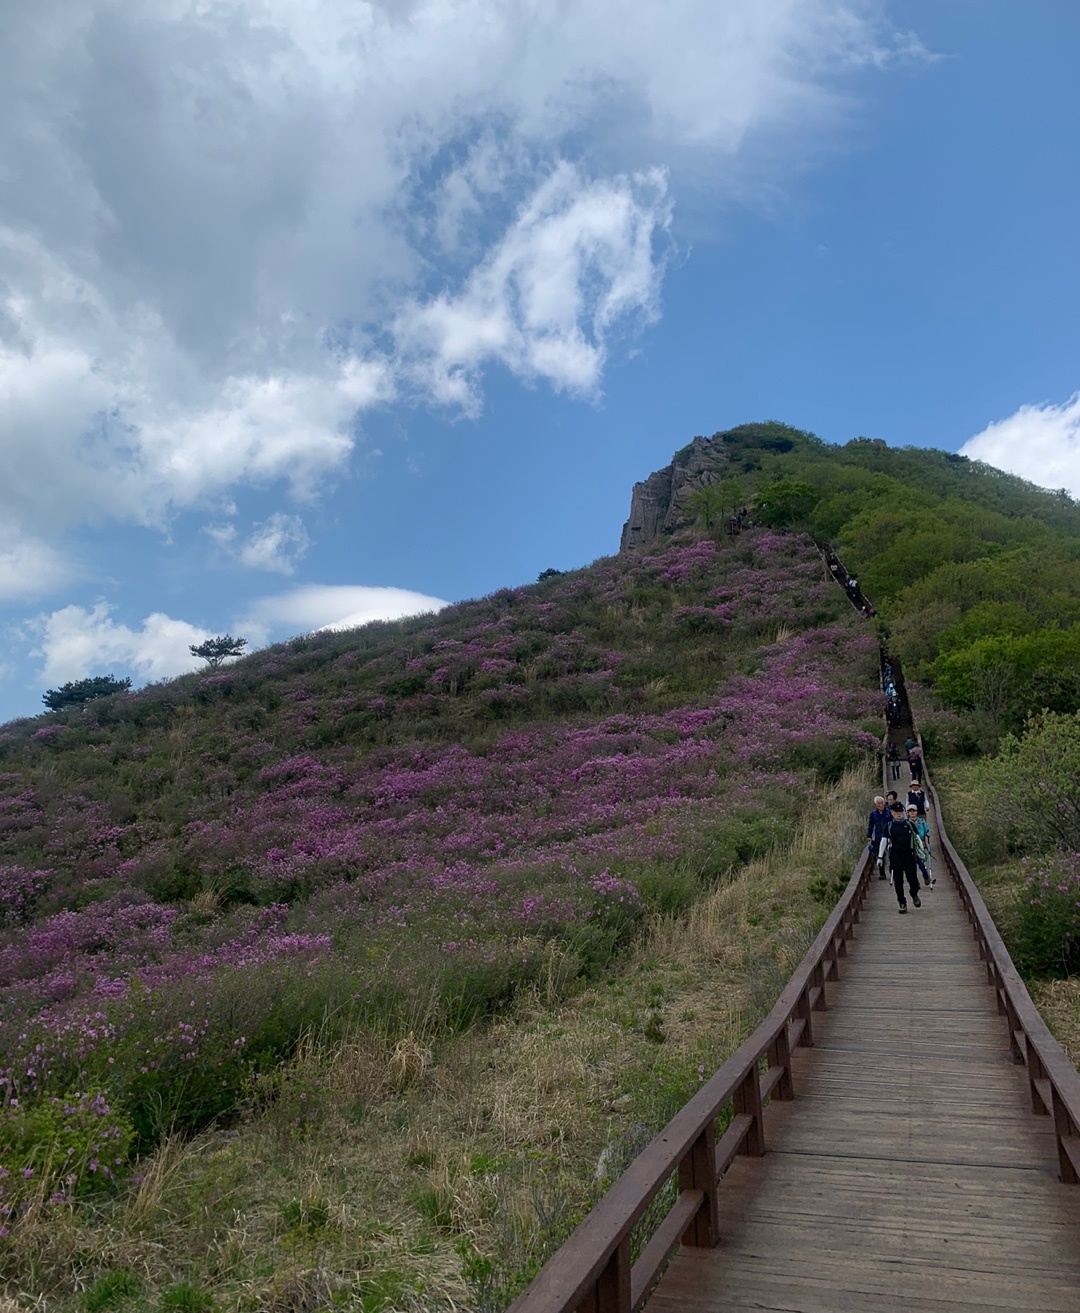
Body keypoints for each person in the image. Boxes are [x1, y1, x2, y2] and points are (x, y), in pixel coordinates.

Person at [881, 803, 921, 913]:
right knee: (898, 881)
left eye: (900, 812)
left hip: (909, 855)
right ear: (892, 813)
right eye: (896, 812)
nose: (898, 814)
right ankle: (902, 902)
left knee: (913, 880)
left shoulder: (909, 824)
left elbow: (917, 838)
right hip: (896, 856)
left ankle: (914, 893)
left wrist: (921, 853)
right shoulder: (889, 826)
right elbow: (884, 840)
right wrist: (880, 856)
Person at [909, 805, 935, 888]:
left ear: (917, 812)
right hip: (910, 847)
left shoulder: (922, 822)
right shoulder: (906, 823)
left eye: (914, 810)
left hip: (920, 846)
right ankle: (916, 883)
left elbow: (927, 830)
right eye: (910, 811)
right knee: (912, 867)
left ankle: (926, 876)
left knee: (921, 864)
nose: (912, 812)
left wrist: (928, 834)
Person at [866, 795, 890, 877]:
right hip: (878, 836)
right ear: (875, 804)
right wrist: (869, 836)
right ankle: (882, 873)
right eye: (878, 803)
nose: (881, 805)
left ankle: (892, 871)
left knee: (891, 854)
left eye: (882, 803)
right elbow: (870, 826)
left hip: (889, 836)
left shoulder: (889, 812)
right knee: (880, 855)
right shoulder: (873, 814)